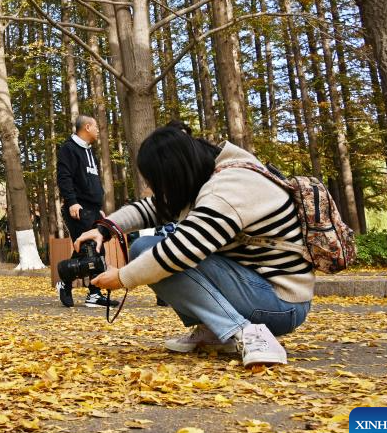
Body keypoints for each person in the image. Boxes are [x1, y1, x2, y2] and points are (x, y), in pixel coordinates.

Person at [75, 122, 314, 368]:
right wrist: (104, 229)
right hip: (258, 289)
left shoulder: (228, 188)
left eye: (154, 180)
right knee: (146, 249)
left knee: (150, 252)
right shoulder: (214, 176)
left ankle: (248, 334)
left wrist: (122, 277)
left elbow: (178, 253)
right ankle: (215, 332)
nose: (150, 188)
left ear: (172, 173)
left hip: (281, 305)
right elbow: (154, 208)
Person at [55, 115, 119, 309]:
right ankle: (92, 293)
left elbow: (93, 182)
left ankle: (71, 284)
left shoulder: (91, 152)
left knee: (93, 248)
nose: (99, 130)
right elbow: (64, 176)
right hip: (78, 207)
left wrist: (98, 207)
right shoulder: (69, 149)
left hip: (92, 208)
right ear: (87, 127)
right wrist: (72, 201)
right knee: (89, 249)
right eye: (96, 127)